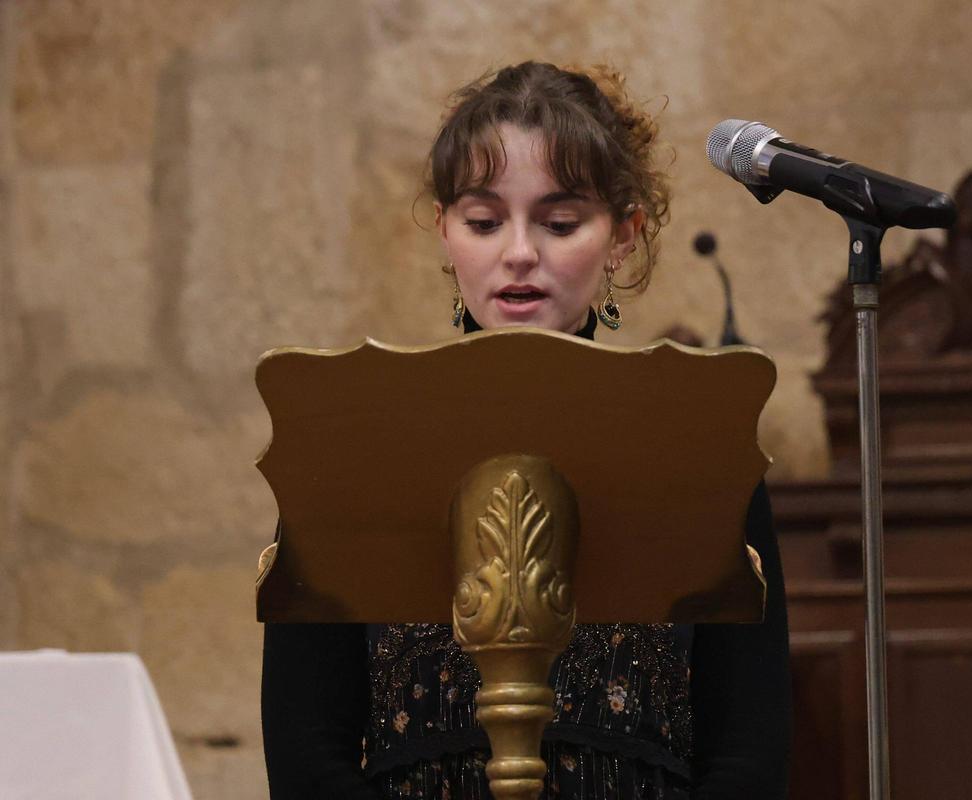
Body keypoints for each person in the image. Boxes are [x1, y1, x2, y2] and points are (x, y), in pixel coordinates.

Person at [261, 61, 791, 799]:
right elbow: (306, 750)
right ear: (445, 232)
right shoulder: (355, 441)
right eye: (483, 221)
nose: (518, 253)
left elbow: (750, 750)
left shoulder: (698, 445)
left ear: (623, 236)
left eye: (560, 222)